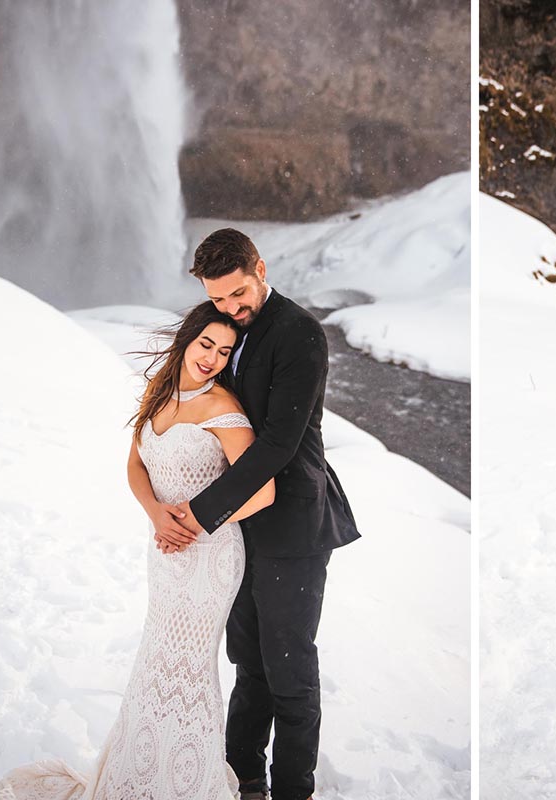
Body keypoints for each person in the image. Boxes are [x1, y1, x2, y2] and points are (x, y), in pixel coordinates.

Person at [0, 302, 275, 799]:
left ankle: (185, 783)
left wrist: (196, 523)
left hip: (210, 558)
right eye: (205, 344)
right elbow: (136, 464)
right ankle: (140, 775)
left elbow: (262, 493)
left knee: (189, 668)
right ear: (186, 340)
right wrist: (156, 512)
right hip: (164, 551)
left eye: (224, 351)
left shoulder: (224, 409)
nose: (213, 358)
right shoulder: (160, 394)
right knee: (155, 661)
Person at [159, 228, 361, 800]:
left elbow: (276, 445)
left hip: (293, 521)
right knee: (248, 660)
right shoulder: (222, 328)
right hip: (238, 522)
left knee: (290, 669)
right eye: (218, 298)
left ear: (261, 268)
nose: (230, 308)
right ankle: (241, 776)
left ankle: (293, 790)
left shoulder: (300, 334)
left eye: (239, 293)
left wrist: (196, 515)